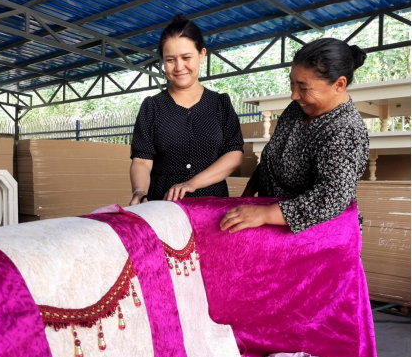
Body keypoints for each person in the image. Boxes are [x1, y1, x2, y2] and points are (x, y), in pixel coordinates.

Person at [221, 38, 369, 234]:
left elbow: (331, 197)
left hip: (317, 237)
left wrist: (266, 214)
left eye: (304, 88)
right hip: (272, 226)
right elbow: (270, 159)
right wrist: (246, 198)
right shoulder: (297, 109)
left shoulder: (345, 130)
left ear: (339, 85)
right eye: (292, 83)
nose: (294, 95)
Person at [129, 15, 244, 206]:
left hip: (211, 205)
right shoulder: (152, 107)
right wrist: (139, 191)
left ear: (202, 54)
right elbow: (142, 160)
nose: (179, 67)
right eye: (170, 60)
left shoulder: (220, 104)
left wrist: (193, 183)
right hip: (162, 206)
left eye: (186, 57)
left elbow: (234, 155)